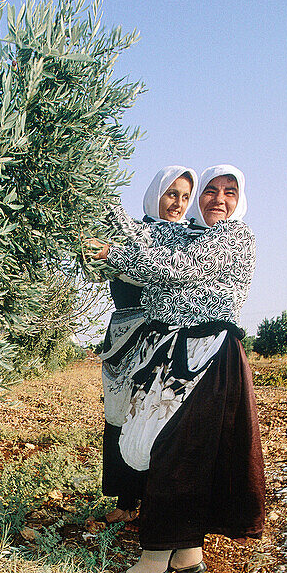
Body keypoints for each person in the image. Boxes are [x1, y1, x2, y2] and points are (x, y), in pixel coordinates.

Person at [86, 164, 265, 573]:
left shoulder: (236, 239)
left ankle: (154, 559)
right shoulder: (197, 235)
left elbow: (179, 268)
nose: (217, 199)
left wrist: (114, 253)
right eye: (210, 191)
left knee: (173, 454)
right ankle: (187, 553)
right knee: (191, 455)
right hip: (185, 354)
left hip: (208, 356)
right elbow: (153, 254)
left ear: (241, 201)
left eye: (228, 192)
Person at [100, 166, 198, 524]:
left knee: (156, 417)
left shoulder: (192, 240)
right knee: (122, 415)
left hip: (165, 339)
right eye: (172, 194)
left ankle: (155, 503)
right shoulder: (132, 233)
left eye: (186, 197)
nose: (178, 203)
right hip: (124, 340)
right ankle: (126, 502)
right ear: (156, 193)